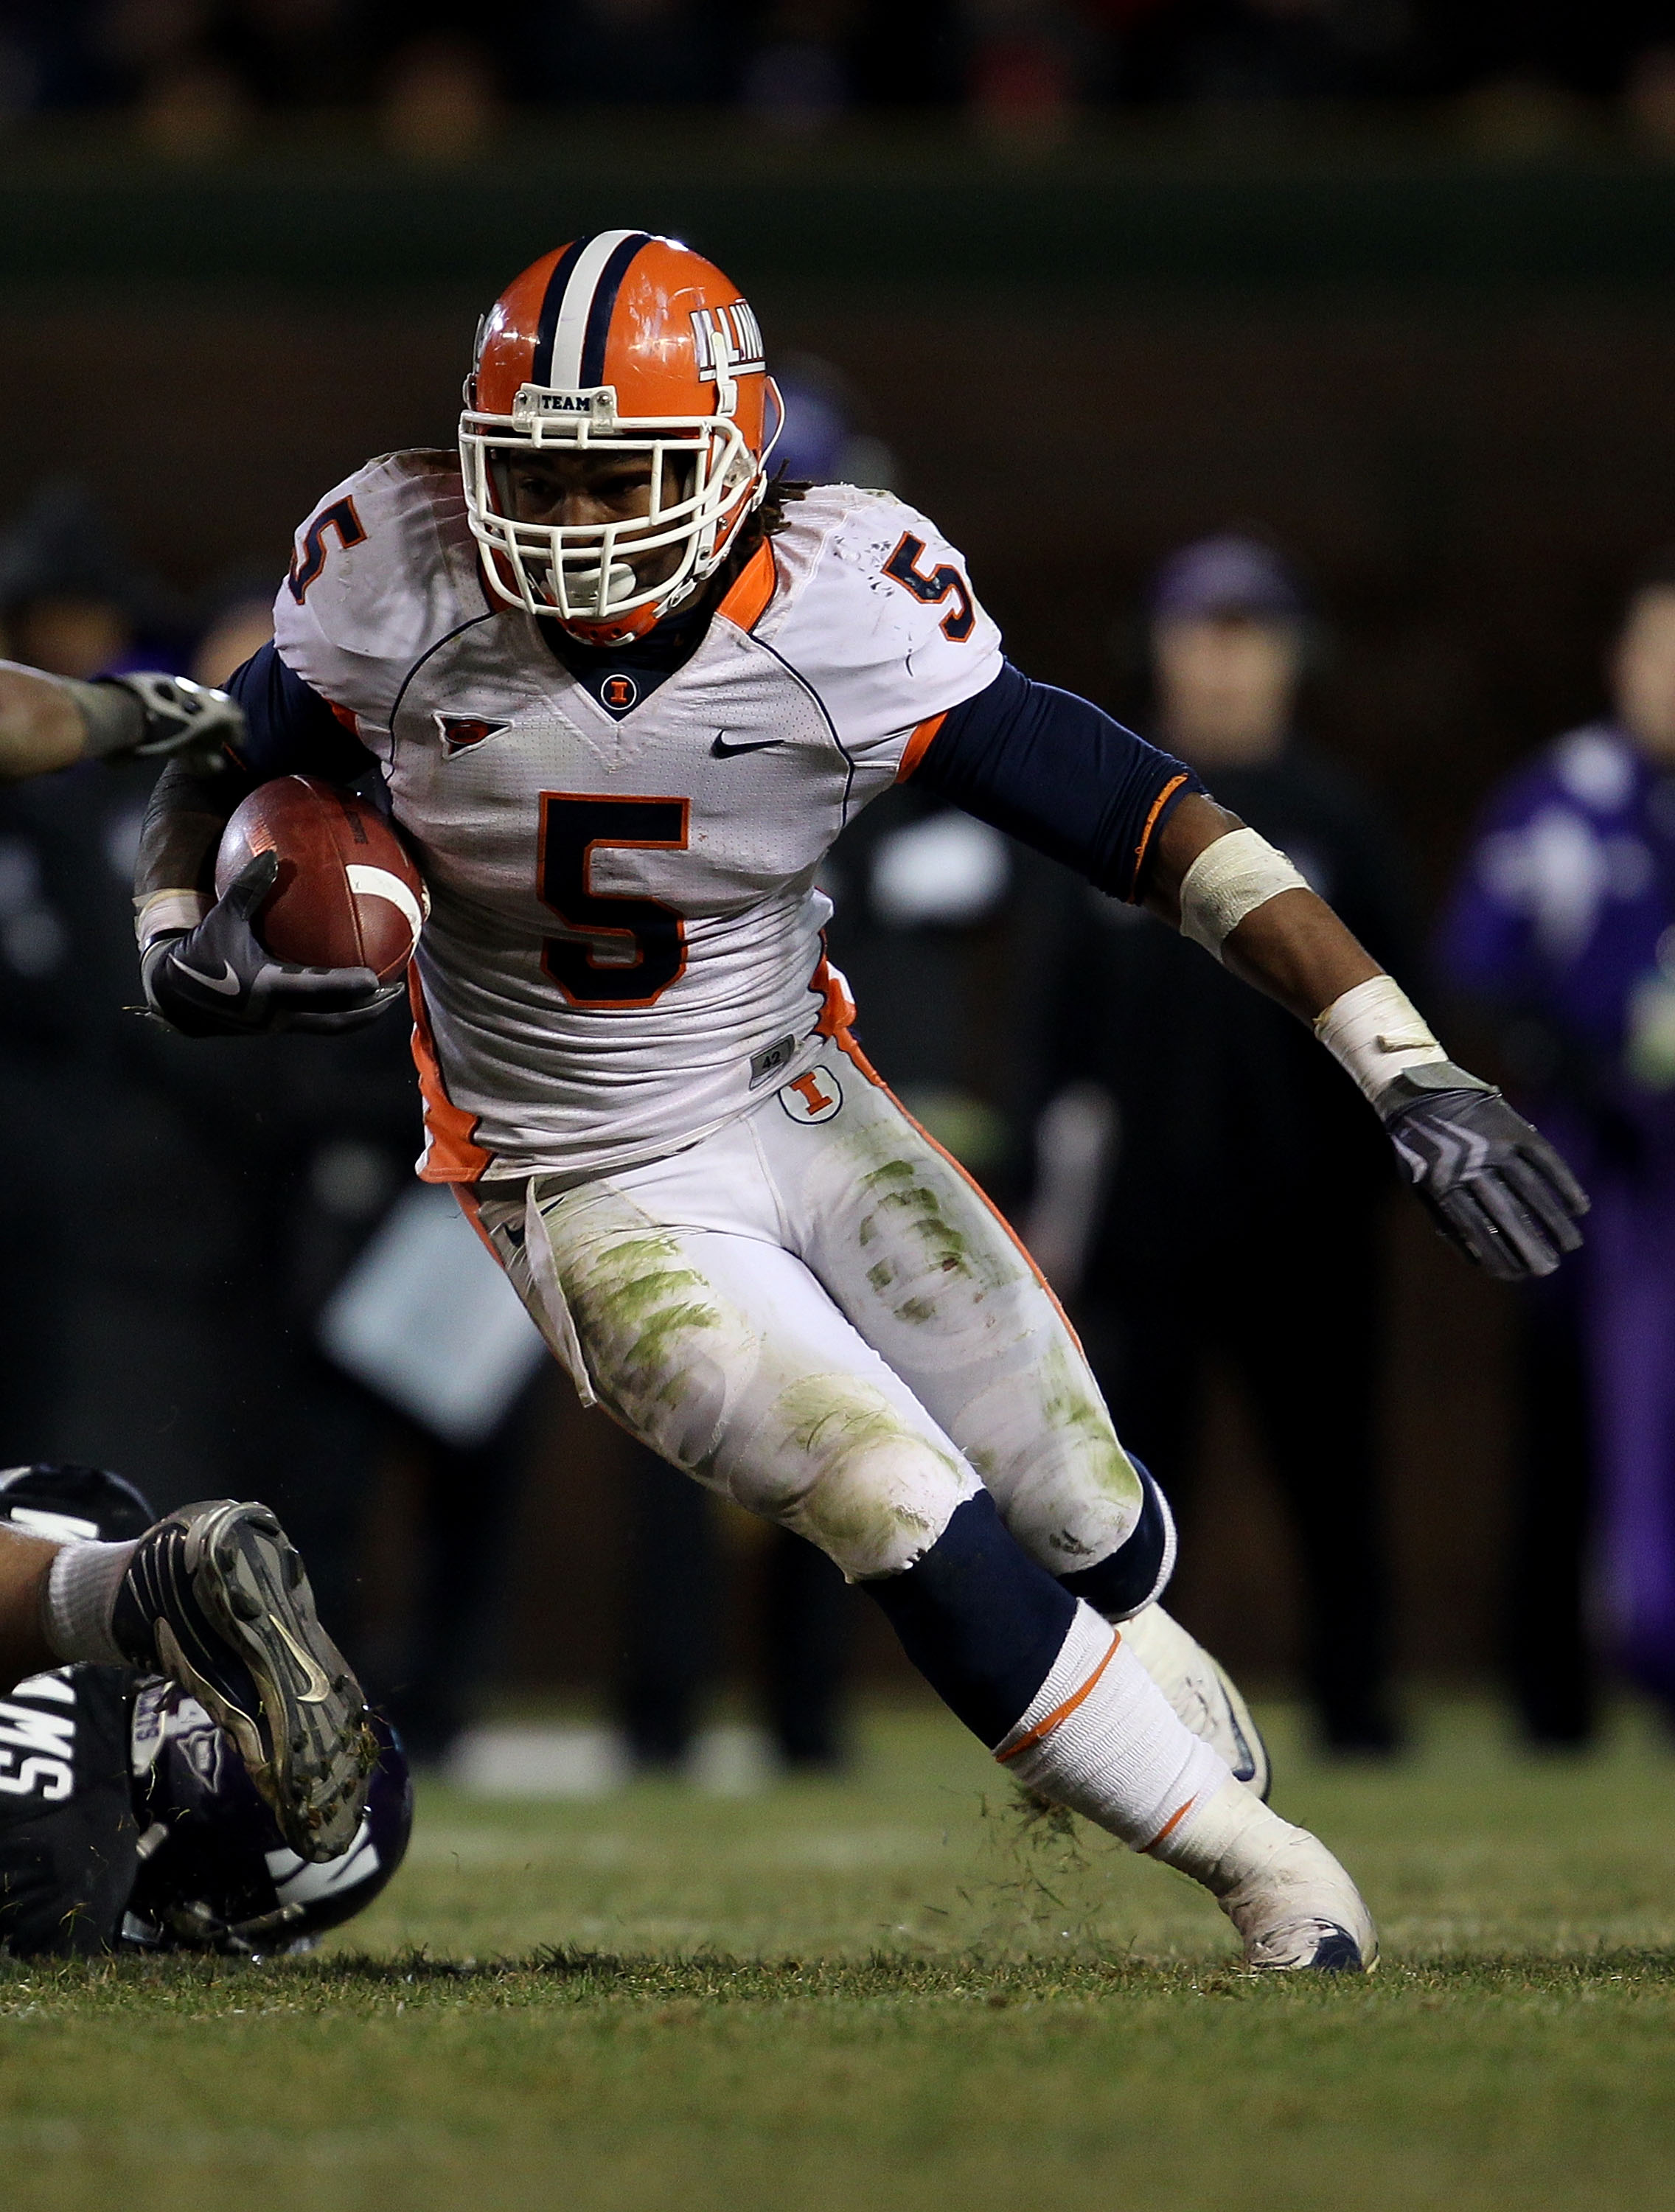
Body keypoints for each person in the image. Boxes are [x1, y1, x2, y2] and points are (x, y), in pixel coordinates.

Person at [4, 233, 1585, 1972]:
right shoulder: (390, 570)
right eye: (528, 465)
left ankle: (1117, 1655)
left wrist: (1400, 1058)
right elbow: (227, 757)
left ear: (739, 457)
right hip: (580, 1174)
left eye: (619, 467)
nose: (567, 513)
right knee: (882, 1487)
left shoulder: (851, 601)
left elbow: (1154, 827)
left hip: (792, 1096)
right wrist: (179, 942)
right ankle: (1263, 1869)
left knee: (1080, 1506)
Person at [1031, 535, 1419, 1751]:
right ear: (1157, 651)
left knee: (1333, 1475)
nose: (1222, 662)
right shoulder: (1106, 817)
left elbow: (1396, 1014)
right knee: (1135, 1491)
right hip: (1144, 1232)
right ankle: (1138, 1727)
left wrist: (1376, 1178)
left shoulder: (1338, 822)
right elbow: (1054, 1034)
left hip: (1306, 1226)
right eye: (1200, 632)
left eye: (1248, 634)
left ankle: (1358, 1709)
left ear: (1291, 656)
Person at [1439, 552, 1675, 1729]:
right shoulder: (1560, 801)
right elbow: (1474, 973)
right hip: (1593, 1181)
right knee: (1566, 1428)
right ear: (1622, 664)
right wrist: (1570, 1053)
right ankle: (1551, 1692)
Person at [0, 1461, 411, 1955]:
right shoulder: (53, 1885)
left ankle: (111, 1593)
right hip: (39, 1827)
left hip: (70, 1549)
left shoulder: (94, 1510)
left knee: (77, 1567)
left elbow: (42, 1486)